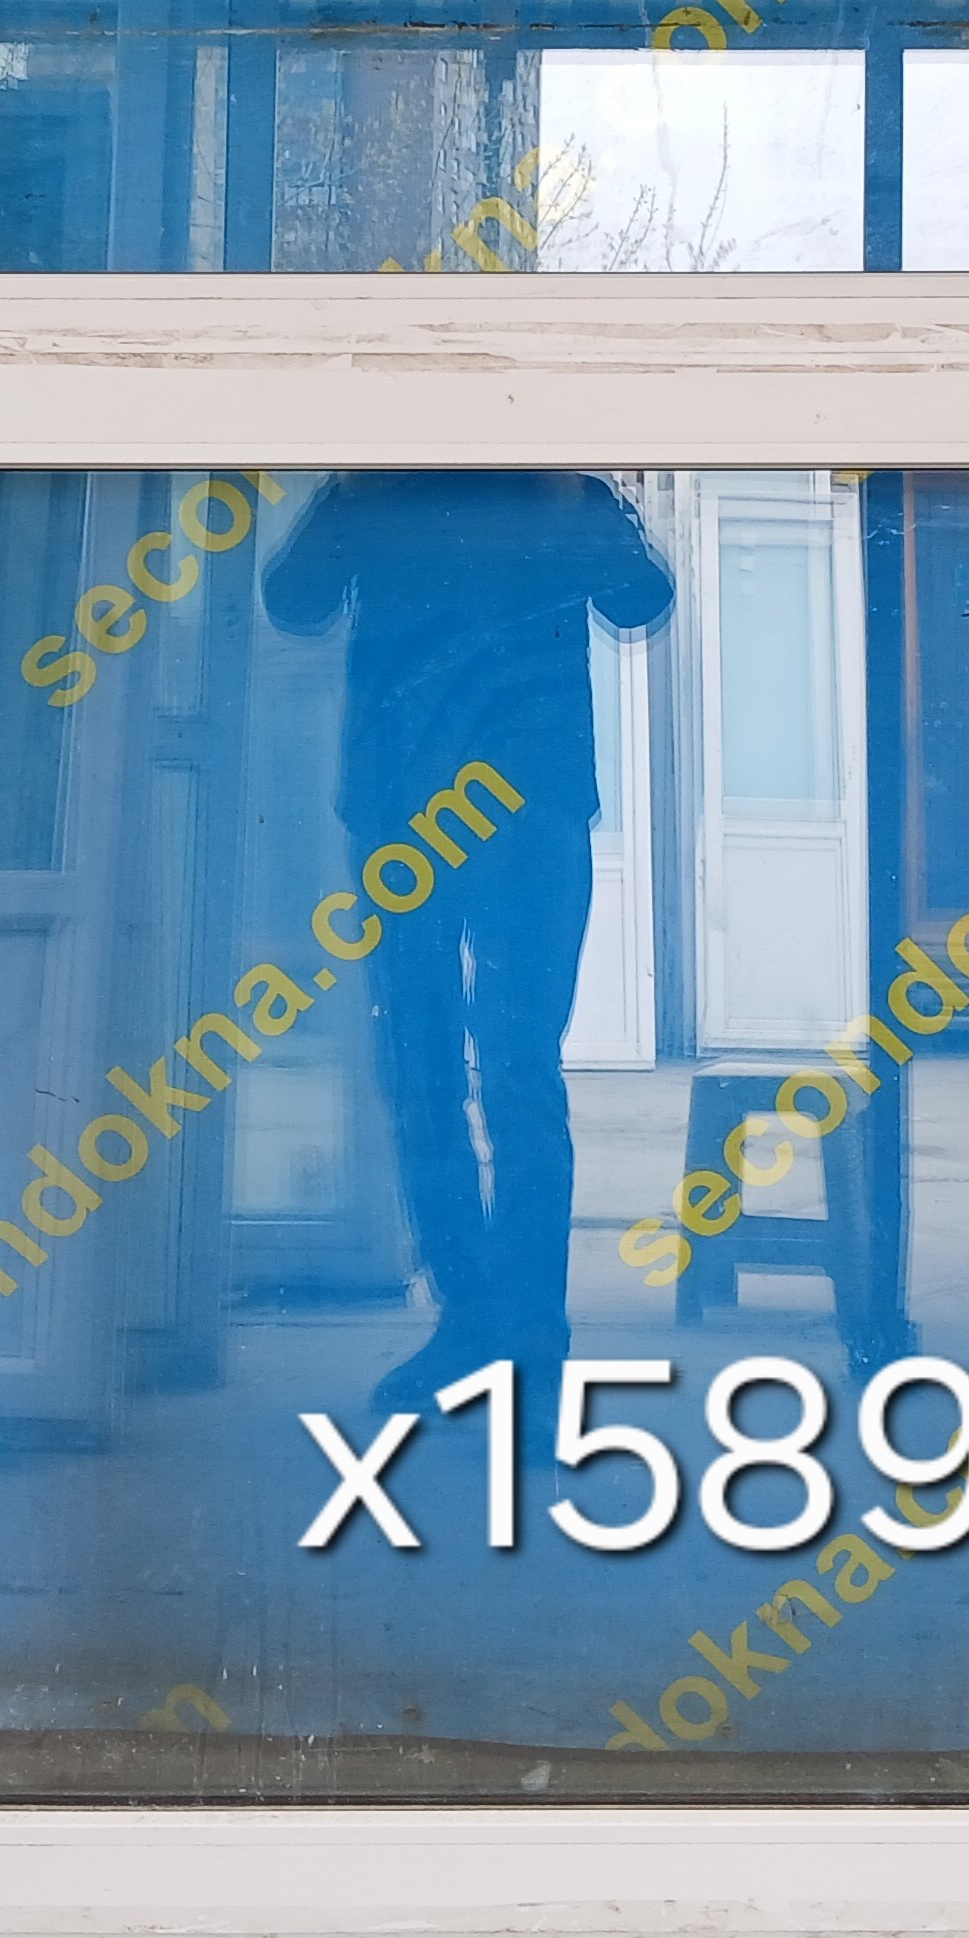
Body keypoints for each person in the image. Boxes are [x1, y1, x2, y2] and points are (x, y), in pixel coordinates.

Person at [263, 470, 674, 1412]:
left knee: (436, 1070)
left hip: (432, 803)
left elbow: (294, 602)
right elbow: (641, 600)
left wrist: (350, 492)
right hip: (496, 802)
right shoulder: (545, 489)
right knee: (503, 1071)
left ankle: (488, 1324)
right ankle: (510, 1331)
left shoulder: (398, 489)